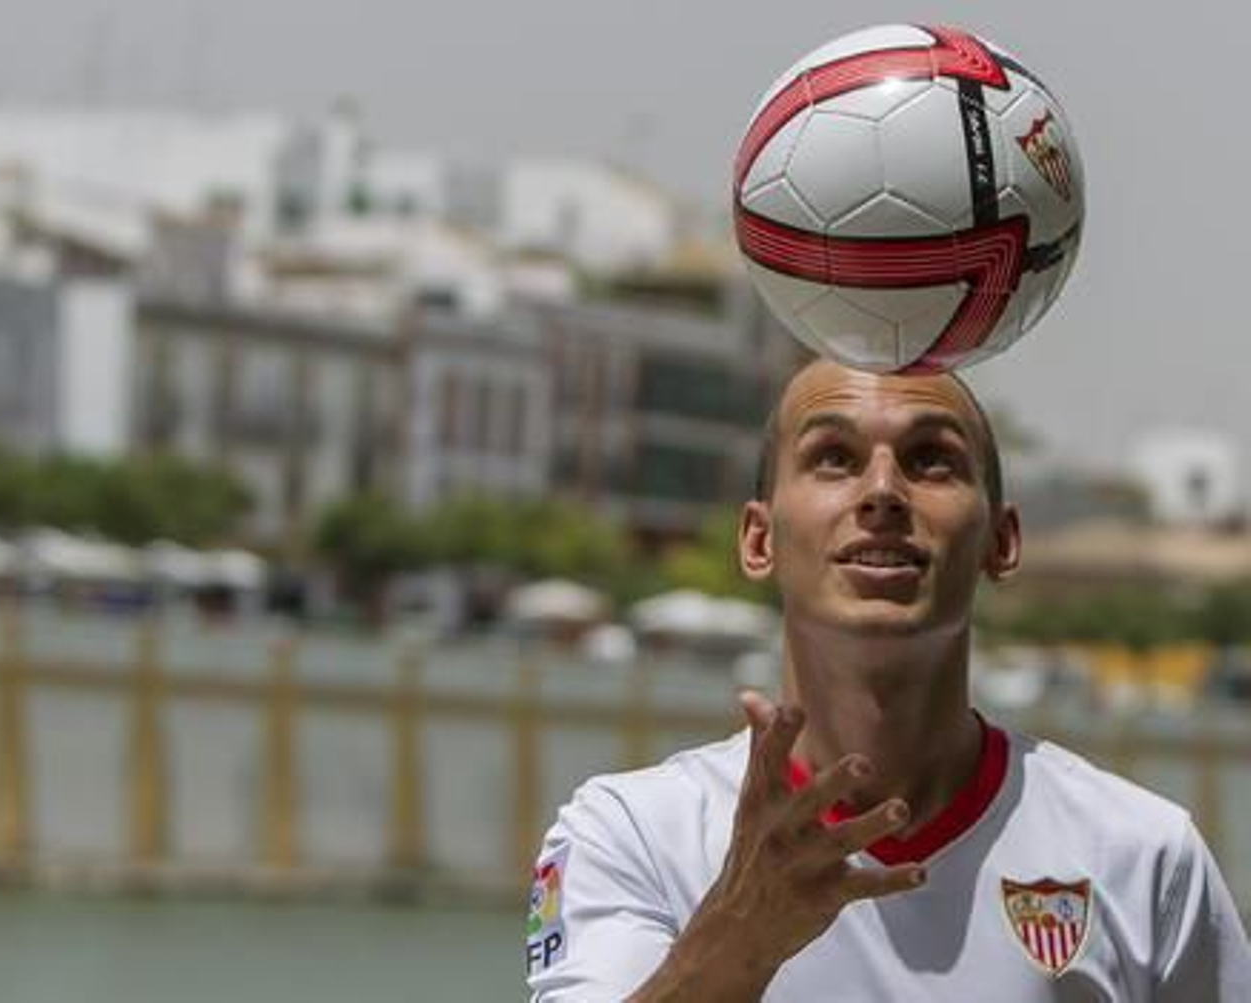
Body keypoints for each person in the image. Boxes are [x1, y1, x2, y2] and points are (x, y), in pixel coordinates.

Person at [525, 359, 1250, 1001]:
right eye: (834, 457)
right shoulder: (628, 835)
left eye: (932, 460)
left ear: (1002, 540)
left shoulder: (1143, 854)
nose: (882, 492)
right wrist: (736, 943)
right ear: (758, 538)